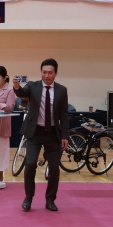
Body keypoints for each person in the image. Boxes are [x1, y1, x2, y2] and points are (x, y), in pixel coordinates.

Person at [13, 59, 69, 212]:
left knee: (54, 168)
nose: (47, 75)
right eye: (44, 72)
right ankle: (28, 198)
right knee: (30, 164)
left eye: (50, 72)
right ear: (41, 72)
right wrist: (17, 87)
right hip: (34, 132)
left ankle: (50, 199)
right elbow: (22, 93)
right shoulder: (33, 86)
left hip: (53, 133)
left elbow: (64, 115)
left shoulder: (62, 90)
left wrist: (65, 136)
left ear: (55, 74)